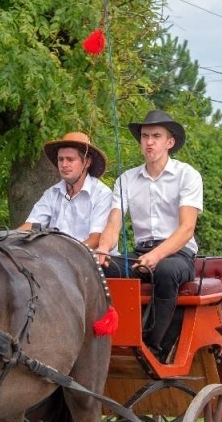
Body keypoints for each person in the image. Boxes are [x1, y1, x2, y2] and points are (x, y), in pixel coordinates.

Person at [97, 110, 203, 358]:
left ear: (170, 142)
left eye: (156, 136)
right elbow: (114, 224)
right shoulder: (127, 179)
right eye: (145, 136)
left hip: (178, 254)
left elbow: (186, 228)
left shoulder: (187, 175)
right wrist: (102, 249)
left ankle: (153, 347)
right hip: (140, 254)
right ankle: (104, 338)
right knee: (99, 268)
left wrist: (156, 256)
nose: (149, 142)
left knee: (165, 271)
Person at [19, 131, 113, 249]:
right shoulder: (52, 193)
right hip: (57, 260)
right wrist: (6, 238)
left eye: (70, 159)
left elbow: (96, 239)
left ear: (87, 162)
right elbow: (31, 225)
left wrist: (65, 255)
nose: (64, 164)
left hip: (93, 262)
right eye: (60, 159)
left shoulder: (102, 194)